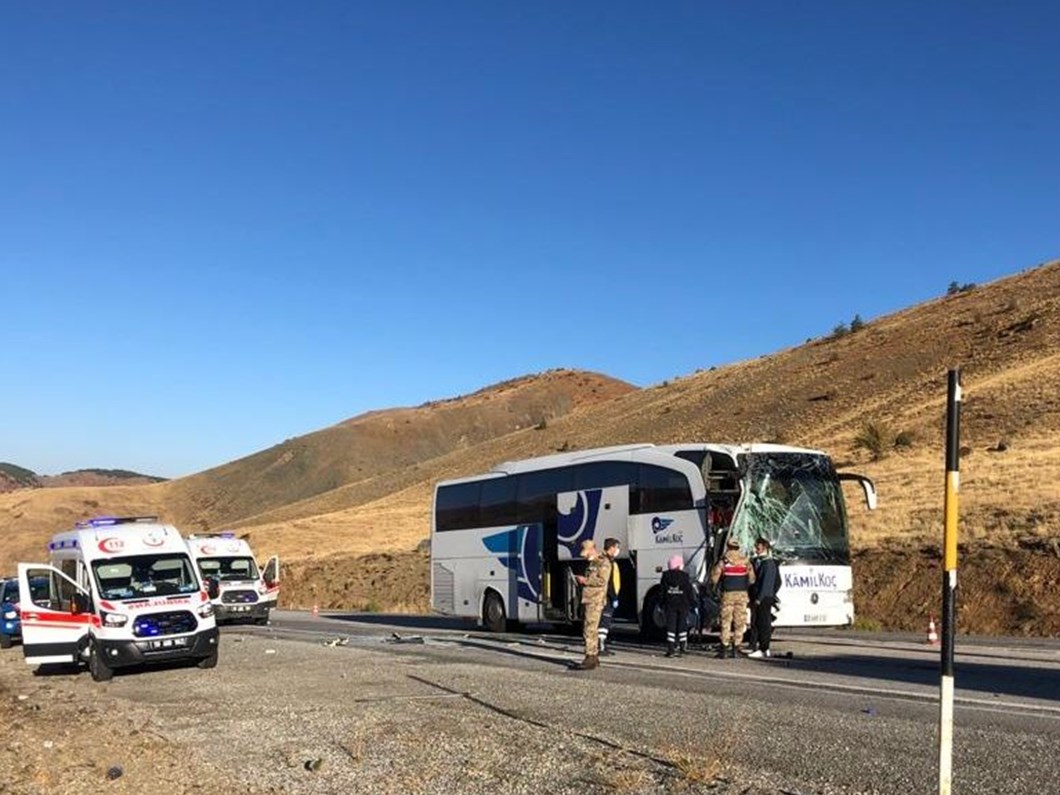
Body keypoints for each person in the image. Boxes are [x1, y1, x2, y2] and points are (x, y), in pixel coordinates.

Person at [569, 539, 612, 671]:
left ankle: (590, 657)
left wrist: (585, 580)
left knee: (589, 630)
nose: (585, 556)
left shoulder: (602, 562)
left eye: (586, 553)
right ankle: (594, 656)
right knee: (590, 629)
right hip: (590, 599)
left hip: (595, 600)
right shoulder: (593, 563)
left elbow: (602, 581)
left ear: (592, 549)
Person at [710, 536, 756, 658]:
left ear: (728, 546)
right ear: (738, 547)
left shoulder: (724, 561)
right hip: (742, 594)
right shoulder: (746, 561)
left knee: (726, 621)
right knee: (740, 621)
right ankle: (736, 647)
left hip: (728, 594)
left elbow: (714, 579)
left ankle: (724, 647)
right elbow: (752, 580)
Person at [748, 537, 780, 658]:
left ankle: (764, 648)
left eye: (758, 547)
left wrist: (760, 598)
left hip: (764, 597)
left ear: (765, 547)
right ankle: (760, 646)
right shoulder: (759, 561)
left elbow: (767, 583)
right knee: (758, 622)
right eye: (756, 547)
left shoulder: (768, 563)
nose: (756, 549)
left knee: (764, 623)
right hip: (761, 596)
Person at [660, 554, 696, 657]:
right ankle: (682, 648)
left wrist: (661, 604)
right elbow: (689, 591)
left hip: (670, 605)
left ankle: (671, 649)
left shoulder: (665, 576)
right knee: (682, 625)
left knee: (671, 626)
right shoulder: (685, 576)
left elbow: (662, 592)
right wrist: (693, 604)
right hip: (683, 605)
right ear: (680, 565)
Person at [597, 538, 622, 656]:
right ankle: (600, 646)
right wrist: (614, 597)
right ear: (611, 548)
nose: (618, 550)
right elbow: (609, 582)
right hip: (607, 597)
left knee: (605, 622)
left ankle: (602, 645)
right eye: (616, 547)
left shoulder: (610, 561)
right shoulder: (607, 562)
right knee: (604, 622)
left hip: (608, 596)